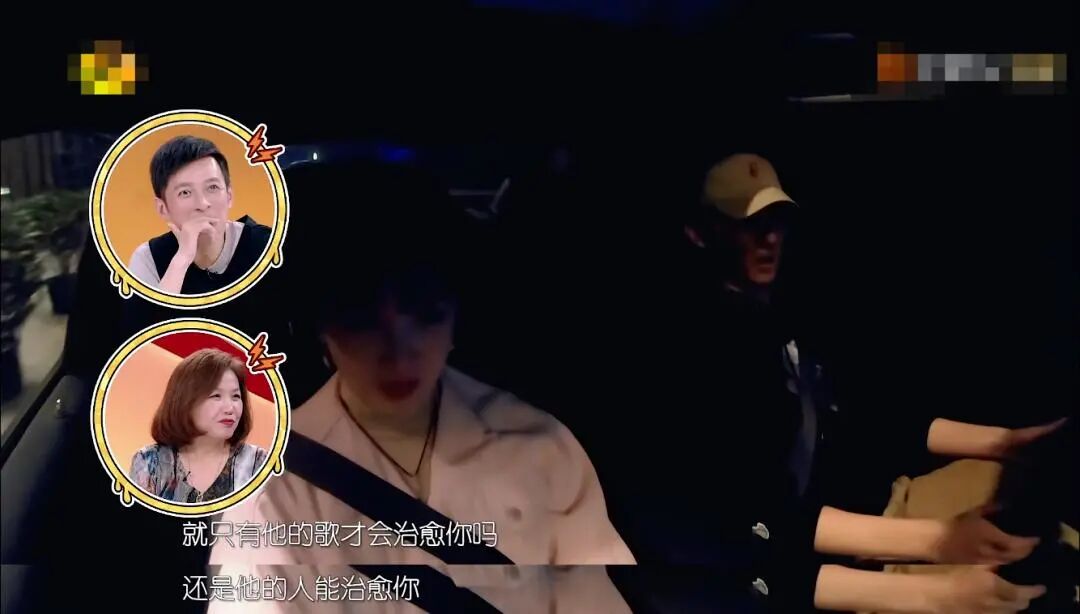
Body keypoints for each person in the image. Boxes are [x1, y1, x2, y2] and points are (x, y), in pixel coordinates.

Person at [209, 160, 634, 613]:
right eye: (359, 318)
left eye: (426, 311)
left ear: (456, 317)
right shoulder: (269, 488)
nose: (398, 352)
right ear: (321, 330)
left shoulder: (541, 446)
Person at [655, 152, 1062, 612]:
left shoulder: (780, 316)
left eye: (776, 222)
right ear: (701, 234)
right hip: (791, 576)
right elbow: (756, 536)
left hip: (858, 522)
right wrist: (938, 562)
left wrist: (1006, 443)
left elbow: (866, 416)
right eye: (747, 225)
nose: (769, 238)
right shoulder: (698, 361)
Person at [126, 135, 272, 294]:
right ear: (163, 208)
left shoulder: (266, 246)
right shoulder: (148, 259)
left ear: (229, 196)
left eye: (212, 187)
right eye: (185, 192)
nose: (202, 204)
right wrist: (182, 259)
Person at [129, 348, 269, 503]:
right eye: (216, 396)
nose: (230, 408)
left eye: (236, 396)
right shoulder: (150, 462)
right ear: (185, 401)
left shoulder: (258, 463)